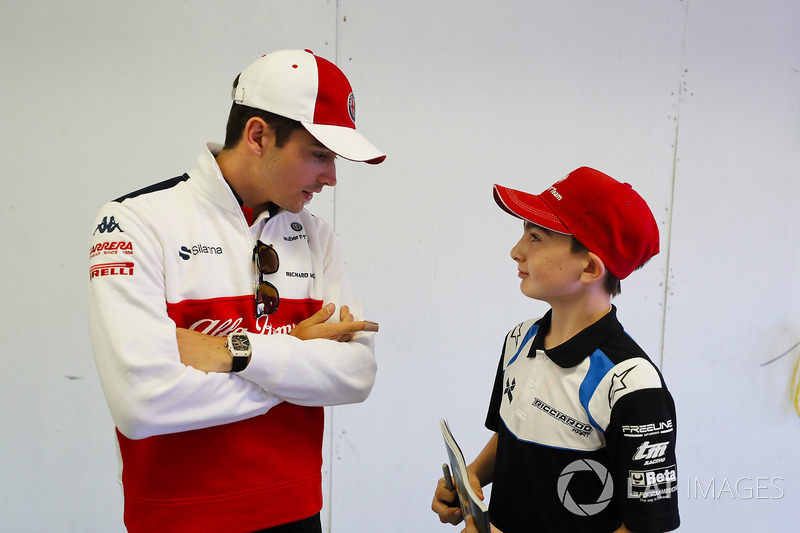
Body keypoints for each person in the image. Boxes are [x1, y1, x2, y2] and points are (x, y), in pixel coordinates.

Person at [88, 49, 385, 533]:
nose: (332, 176)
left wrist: (236, 353)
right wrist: (295, 359)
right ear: (258, 135)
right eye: (319, 154)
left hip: (297, 512)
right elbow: (141, 403)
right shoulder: (135, 222)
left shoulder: (316, 235)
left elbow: (356, 375)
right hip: (177, 518)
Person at [432, 167, 680, 532]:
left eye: (535, 238)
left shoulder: (632, 383)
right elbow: (513, 433)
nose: (516, 251)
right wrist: (470, 479)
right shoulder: (520, 339)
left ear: (590, 268)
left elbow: (646, 527)